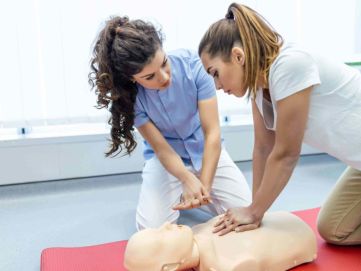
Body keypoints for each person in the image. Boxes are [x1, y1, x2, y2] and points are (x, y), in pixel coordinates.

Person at [197, 2, 361, 270]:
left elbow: (286, 154)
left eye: (215, 73)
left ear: (238, 56)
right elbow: (262, 149)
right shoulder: (259, 88)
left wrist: (254, 211)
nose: (216, 85)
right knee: (334, 229)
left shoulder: (289, 64)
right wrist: (255, 211)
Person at [88, 16, 251, 231]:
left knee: (246, 212)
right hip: (167, 159)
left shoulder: (195, 66)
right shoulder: (130, 97)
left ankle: (196, 197)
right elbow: (162, 149)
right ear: (132, 79)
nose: (164, 77)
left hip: (206, 151)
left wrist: (204, 186)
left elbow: (212, 133)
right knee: (151, 231)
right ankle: (183, 193)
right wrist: (185, 177)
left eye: (164, 63)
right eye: (150, 76)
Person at [123, 211, 317, 271]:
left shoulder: (198, 231)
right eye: (161, 235)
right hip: (296, 233)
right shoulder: (228, 265)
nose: (166, 224)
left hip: (294, 230)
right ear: (170, 266)